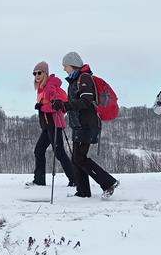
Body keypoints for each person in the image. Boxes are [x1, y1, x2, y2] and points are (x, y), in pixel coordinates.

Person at [50, 52, 119, 199]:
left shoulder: (84, 78)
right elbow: (76, 101)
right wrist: (62, 104)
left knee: (79, 158)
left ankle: (108, 183)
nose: (64, 69)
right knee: (77, 158)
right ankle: (83, 192)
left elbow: (86, 101)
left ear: (72, 65)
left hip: (87, 124)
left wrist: (65, 105)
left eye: (65, 66)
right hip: (79, 124)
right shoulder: (75, 80)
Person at [27, 61, 76, 188]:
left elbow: (57, 106)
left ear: (45, 73)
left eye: (39, 73)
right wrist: (42, 106)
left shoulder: (50, 86)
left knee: (59, 152)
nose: (36, 75)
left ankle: (75, 179)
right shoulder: (41, 88)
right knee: (39, 150)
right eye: (34, 73)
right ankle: (39, 180)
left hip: (54, 124)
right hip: (47, 125)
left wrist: (42, 107)